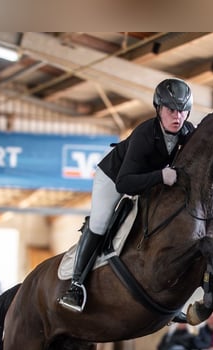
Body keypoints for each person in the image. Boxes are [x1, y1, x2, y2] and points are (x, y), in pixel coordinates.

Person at [57, 78, 195, 313]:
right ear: (158, 109)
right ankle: (76, 286)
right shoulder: (144, 133)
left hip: (150, 182)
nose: (178, 117)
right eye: (171, 110)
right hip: (114, 178)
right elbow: (125, 183)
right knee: (100, 224)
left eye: (183, 111)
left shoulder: (187, 132)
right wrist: (160, 177)